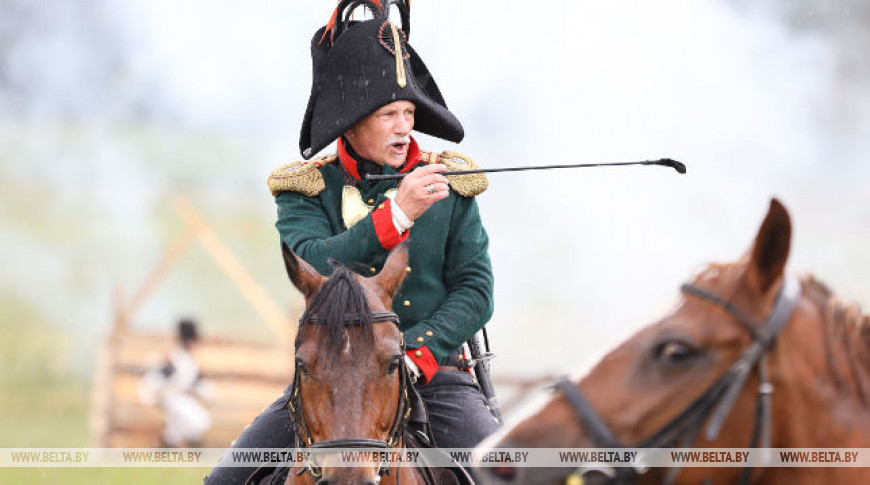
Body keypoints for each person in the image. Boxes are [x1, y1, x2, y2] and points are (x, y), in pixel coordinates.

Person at [205, 1, 498, 482]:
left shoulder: (452, 183)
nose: (405, 126)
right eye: (388, 114)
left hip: (434, 371)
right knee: (225, 480)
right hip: (330, 377)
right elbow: (316, 262)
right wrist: (397, 213)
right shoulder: (306, 189)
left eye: (408, 112)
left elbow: (475, 290)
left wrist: (414, 354)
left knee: (506, 474)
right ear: (352, 121)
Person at [139, 318, 213, 448]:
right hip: (171, 398)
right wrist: (150, 398)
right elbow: (155, 379)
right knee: (199, 421)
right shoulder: (175, 358)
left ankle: (164, 454)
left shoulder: (187, 358)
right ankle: (194, 456)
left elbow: (194, 381)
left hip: (179, 397)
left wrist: (207, 391)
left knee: (175, 433)